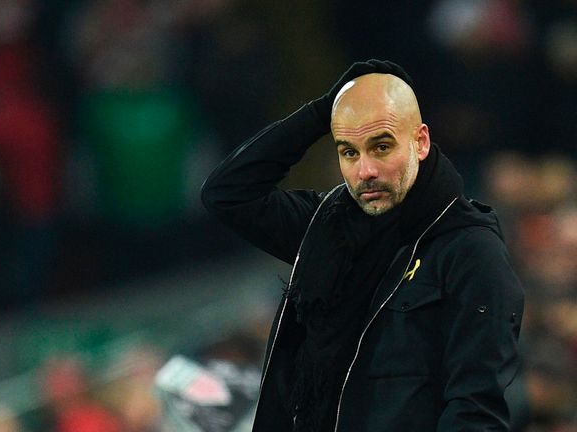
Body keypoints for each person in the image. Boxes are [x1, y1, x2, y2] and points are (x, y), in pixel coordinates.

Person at [200, 60, 525, 431]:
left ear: (420, 142)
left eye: (381, 147)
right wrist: (325, 111)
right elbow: (227, 194)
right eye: (349, 152)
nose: (364, 171)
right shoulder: (325, 225)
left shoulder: (470, 250)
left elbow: (475, 412)